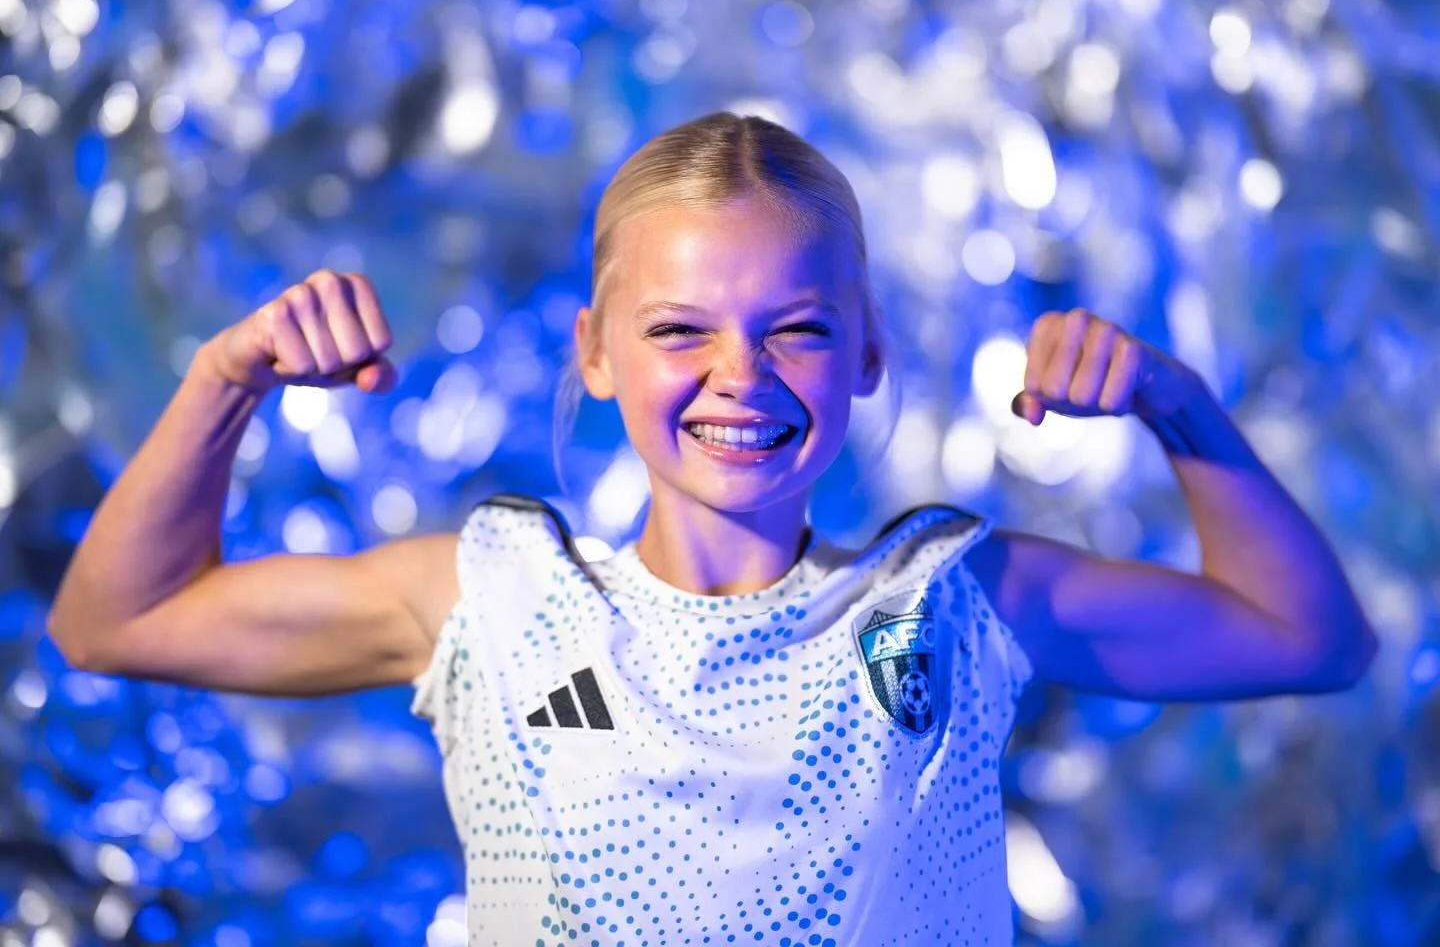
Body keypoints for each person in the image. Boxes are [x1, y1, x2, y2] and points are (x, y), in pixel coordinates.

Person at [47, 112, 1376, 946]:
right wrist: (223, 382)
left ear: (865, 352)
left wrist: (1179, 408)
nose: (739, 378)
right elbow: (117, 621)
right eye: (680, 330)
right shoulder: (489, 602)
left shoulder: (958, 602)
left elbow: (1306, 639)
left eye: (794, 330)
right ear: (599, 354)